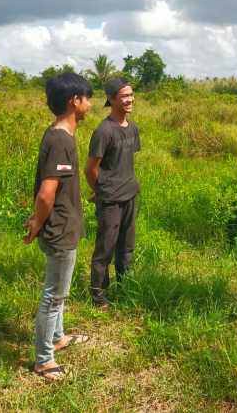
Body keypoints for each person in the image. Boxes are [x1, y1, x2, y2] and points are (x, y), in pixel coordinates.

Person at [23, 72, 93, 381]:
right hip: (59, 229)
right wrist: (36, 223)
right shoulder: (60, 140)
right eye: (87, 98)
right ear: (73, 101)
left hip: (65, 224)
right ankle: (43, 359)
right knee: (54, 295)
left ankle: (57, 337)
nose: (90, 104)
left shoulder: (59, 135)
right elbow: (46, 193)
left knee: (59, 293)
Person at [85, 77, 140, 309]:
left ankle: (125, 288)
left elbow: (126, 162)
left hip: (130, 195)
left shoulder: (133, 128)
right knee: (105, 248)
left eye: (131, 94)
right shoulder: (104, 131)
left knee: (126, 248)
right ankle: (98, 295)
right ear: (110, 99)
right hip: (110, 200)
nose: (129, 99)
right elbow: (90, 169)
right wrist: (100, 191)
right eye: (124, 96)